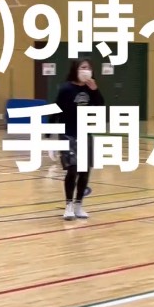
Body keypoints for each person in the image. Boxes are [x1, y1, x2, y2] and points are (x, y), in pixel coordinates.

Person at [53, 59, 104, 221]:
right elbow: (56, 110)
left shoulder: (91, 89)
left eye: (88, 68)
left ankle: (78, 205)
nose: (86, 70)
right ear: (76, 69)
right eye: (83, 67)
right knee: (73, 169)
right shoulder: (66, 89)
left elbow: (100, 107)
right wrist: (49, 135)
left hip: (85, 133)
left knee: (84, 171)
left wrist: (95, 90)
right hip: (68, 133)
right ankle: (68, 205)